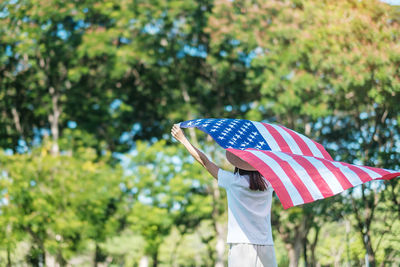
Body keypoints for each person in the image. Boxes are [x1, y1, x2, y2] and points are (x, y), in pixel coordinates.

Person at [171, 124, 277, 267]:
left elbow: (205, 161)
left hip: (241, 245)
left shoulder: (233, 181)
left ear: (238, 164)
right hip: (267, 245)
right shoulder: (270, 183)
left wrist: (183, 139)